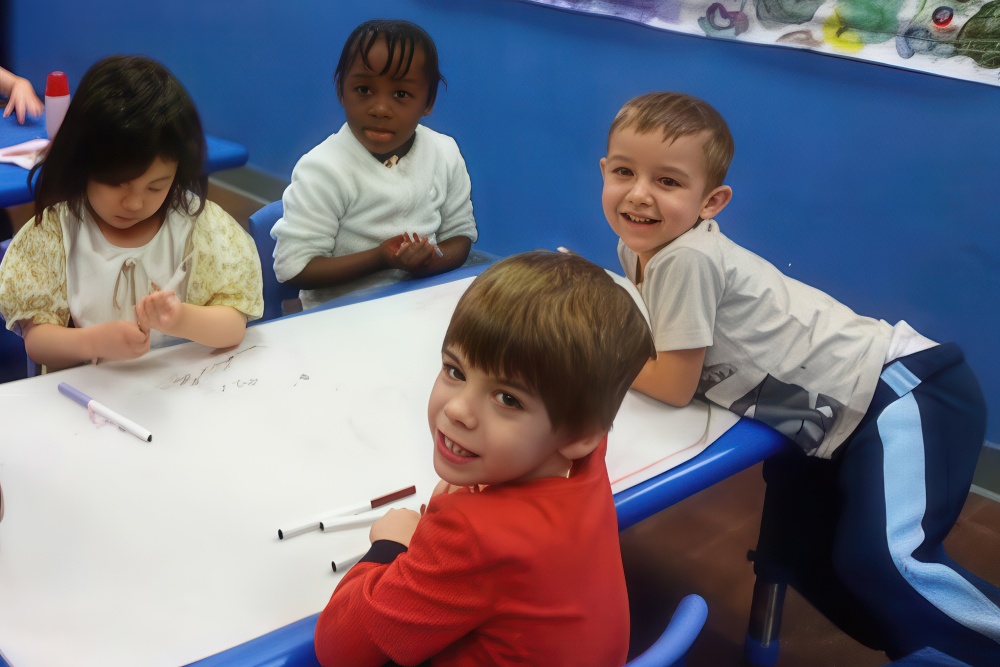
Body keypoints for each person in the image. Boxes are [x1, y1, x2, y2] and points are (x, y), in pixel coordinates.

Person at [601, 91, 1000, 664]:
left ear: (711, 201)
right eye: (624, 172)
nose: (638, 194)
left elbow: (673, 383)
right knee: (812, 558)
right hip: (839, 416)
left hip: (905, 392)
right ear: (604, 172)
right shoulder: (638, 244)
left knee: (885, 562)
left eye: (667, 182)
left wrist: (600, 355)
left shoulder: (684, 257)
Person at [314, 250, 655, 666]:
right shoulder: (583, 461)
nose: (457, 409)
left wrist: (392, 544)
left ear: (580, 434)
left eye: (507, 398)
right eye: (454, 371)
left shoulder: (470, 537)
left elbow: (339, 648)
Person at [0, 55, 263, 372]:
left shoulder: (198, 226)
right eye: (116, 183)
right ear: (82, 165)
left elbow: (233, 326)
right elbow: (38, 343)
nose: (135, 203)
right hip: (86, 400)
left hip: (174, 396)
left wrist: (180, 319)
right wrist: (94, 342)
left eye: (155, 187)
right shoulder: (58, 231)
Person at [270, 19, 478, 311]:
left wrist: (430, 260)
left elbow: (460, 236)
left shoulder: (444, 152)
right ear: (342, 91)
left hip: (423, 303)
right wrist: (381, 258)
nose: (380, 109)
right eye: (364, 89)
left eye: (401, 94)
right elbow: (294, 269)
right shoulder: (322, 169)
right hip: (341, 317)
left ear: (428, 102)